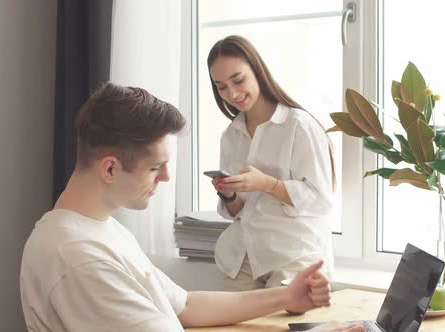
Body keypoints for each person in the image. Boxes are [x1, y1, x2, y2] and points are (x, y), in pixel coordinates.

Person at [19, 83, 365, 332]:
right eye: (156, 167)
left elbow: (184, 306)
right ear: (110, 168)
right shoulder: (79, 259)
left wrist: (286, 295)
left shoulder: (98, 229)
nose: (167, 178)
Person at [207, 35, 336, 291]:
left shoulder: (299, 126)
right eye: (221, 86)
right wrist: (229, 195)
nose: (231, 93)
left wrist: (268, 184)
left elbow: (321, 200)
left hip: (296, 254)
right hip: (246, 254)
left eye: (238, 80)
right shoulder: (231, 135)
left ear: (257, 70)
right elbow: (239, 211)